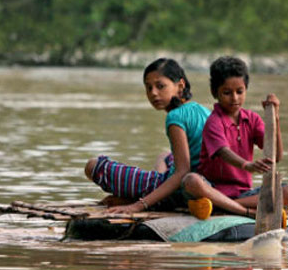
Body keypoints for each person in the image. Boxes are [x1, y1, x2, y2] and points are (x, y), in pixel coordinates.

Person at [84, 58, 211, 214]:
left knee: (94, 166)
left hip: (179, 190)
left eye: (160, 86)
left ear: (180, 86)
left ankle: (148, 198)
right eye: (148, 87)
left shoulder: (176, 117)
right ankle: (147, 195)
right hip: (202, 182)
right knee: (164, 156)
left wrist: (138, 205)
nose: (153, 93)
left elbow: (182, 173)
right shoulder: (204, 111)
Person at [182, 56, 288, 220]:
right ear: (215, 93)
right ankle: (241, 209)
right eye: (227, 93)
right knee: (191, 181)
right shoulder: (214, 122)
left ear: (246, 90)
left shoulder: (252, 119)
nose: (235, 98)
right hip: (213, 188)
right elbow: (223, 152)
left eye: (239, 91)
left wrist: (275, 118)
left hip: (242, 194)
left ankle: (223, 204)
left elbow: (277, 156)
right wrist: (247, 165)